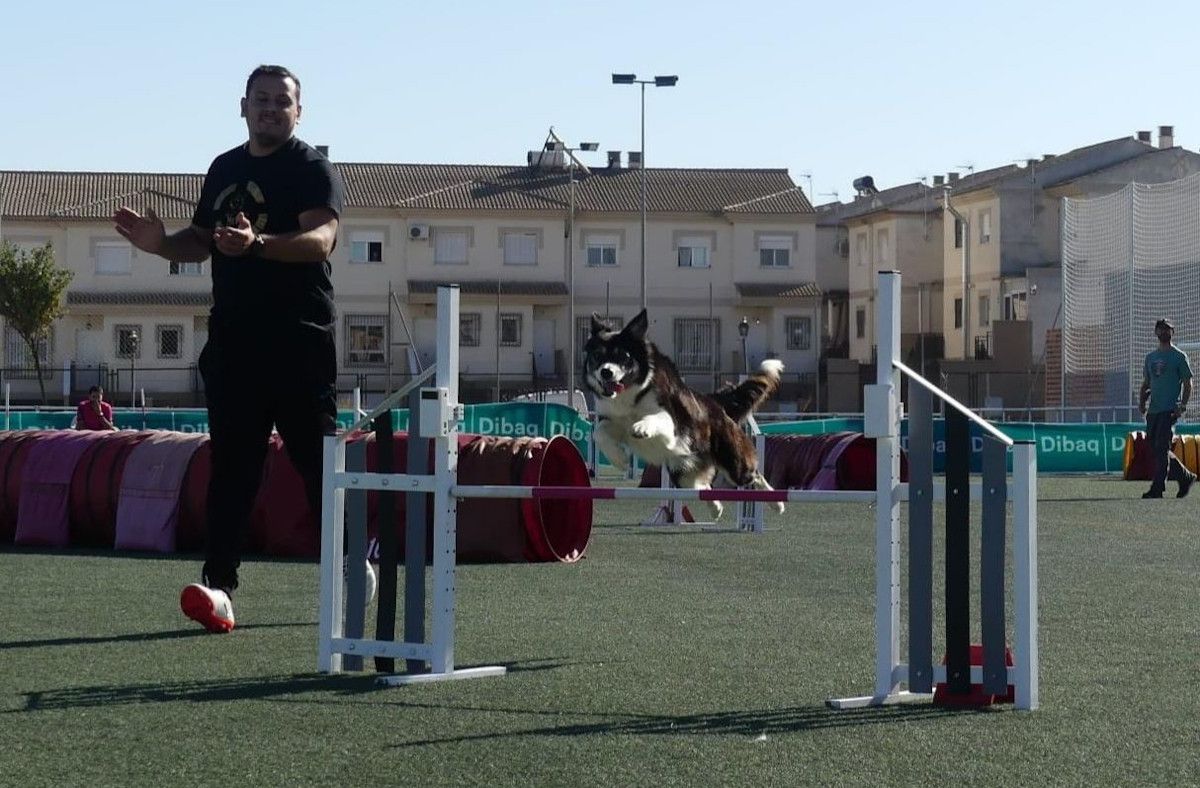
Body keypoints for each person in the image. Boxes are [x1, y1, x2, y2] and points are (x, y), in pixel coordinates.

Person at [113, 65, 351, 633]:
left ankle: (347, 570)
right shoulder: (225, 168)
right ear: (242, 106)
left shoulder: (310, 168)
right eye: (261, 100)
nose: (270, 109)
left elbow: (322, 240)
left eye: (282, 102)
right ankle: (219, 588)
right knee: (231, 472)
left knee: (318, 466)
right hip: (235, 346)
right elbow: (202, 239)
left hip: (299, 342)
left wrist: (258, 243)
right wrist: (160, 244)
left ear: (300, 111)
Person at [1138, 318, 1195, 499]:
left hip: (1169, 409)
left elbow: (1188, 383)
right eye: (1161, 329)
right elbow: (1147, 384)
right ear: (1156, 332)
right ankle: (1185, 476)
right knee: (1156, 448)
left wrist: (1183, 405)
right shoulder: (1150, 358)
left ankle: (1158, 488)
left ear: (1173, 332)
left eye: (1168, 329)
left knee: (1162, 447)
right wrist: (1141, 402)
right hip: (1153, 411)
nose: (1164, 332)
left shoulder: (1179, 356)